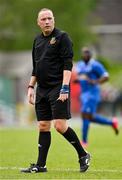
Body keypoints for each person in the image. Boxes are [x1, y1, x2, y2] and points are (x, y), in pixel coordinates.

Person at [21, 8, 90, 173]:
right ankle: (41, 165)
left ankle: (83, 154)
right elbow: (36, 67)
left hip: (58, 87)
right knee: (43, 125)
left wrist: (65, 87)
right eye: (43, 19)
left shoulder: (62, 37)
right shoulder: (37, 41)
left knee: (59, 126)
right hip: (42, 89)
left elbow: (68, 65)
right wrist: (31, 87)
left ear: (54, 20)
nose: (47, 22)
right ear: (38, 23)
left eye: (49, 18)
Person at [74, 47, 119, 147]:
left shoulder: (95, 65)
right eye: (84, 53)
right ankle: (111, 122)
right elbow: (81, 77)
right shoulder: (80, 65)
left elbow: (106, 76)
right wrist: (77, 80)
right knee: (91, 117)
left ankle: (84, 141)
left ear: (90, 54)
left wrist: (95, 81)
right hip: (84, 94)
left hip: (92, 94)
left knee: (85, 114)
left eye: (87, 53)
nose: (85, 54)